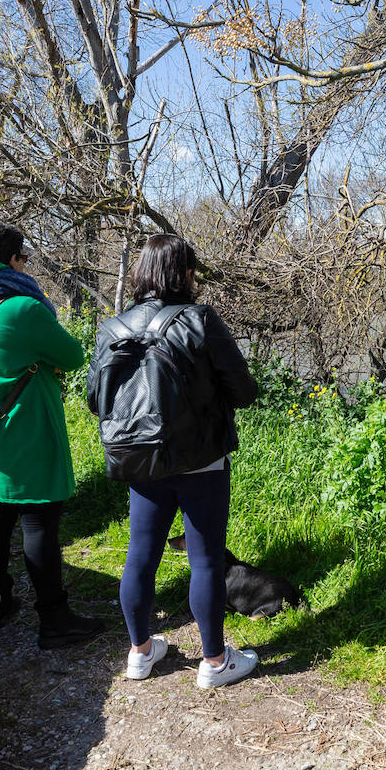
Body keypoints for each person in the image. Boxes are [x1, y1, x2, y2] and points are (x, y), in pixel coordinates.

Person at [87, 234, 259, 687]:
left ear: (142, 272)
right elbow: (244, 392)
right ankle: (215, 663)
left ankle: (140, 653)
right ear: (183, 274)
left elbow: (94, 399)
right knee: (204, 561)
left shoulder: (112, 328)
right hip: (200, 460)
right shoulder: (199, 320)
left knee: (139, 558)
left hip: (139, 461)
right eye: (192, 271)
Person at [0, 218, 104, 649]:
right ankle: (55, 619)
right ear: (13, 260)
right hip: (25, 434)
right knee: (39, 526)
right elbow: (72, 355)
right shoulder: (24, 307)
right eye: (23, 258)